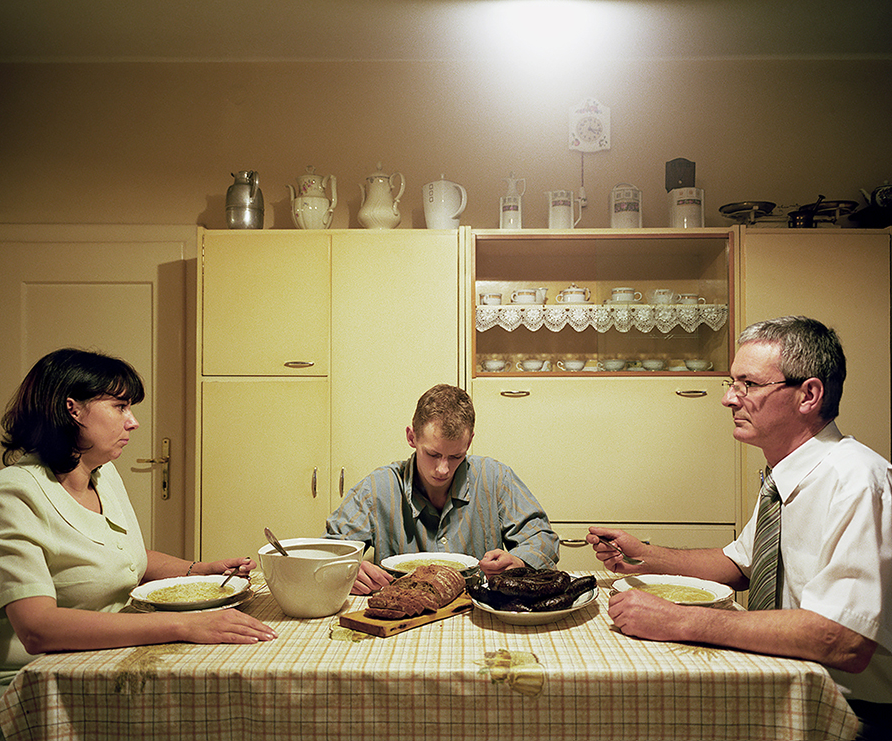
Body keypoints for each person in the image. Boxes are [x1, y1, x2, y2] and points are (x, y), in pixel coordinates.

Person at [587, 316, 891, 739]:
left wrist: (680, 621)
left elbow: (843, 639)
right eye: (732, 383)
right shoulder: (784, 477)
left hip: (854, 716)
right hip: (785, 684)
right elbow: (740, 565)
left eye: (748, 384)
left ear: (808, 395)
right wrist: (644, 556)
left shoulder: (856, 480)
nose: (729, 398)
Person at [0, 349, 277, 741]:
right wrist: (184, 624)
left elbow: (120, 557)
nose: (132, 422)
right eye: (120, 407)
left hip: (100, 665)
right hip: (27, 695)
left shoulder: (102, 475)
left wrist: (200, 570)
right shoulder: (12, 495)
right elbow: (38, 628)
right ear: (72, 409)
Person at [325, 383, 560, 594]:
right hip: (402, 617)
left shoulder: (495, 478)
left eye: (456, 456)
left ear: (469, 442)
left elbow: (542, 538)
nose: (443, 470)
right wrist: (345, 569)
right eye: (433, 454)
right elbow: (326, 551)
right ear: (412, 437)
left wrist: (519, 562)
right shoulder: (377, 489)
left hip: (476, 615)